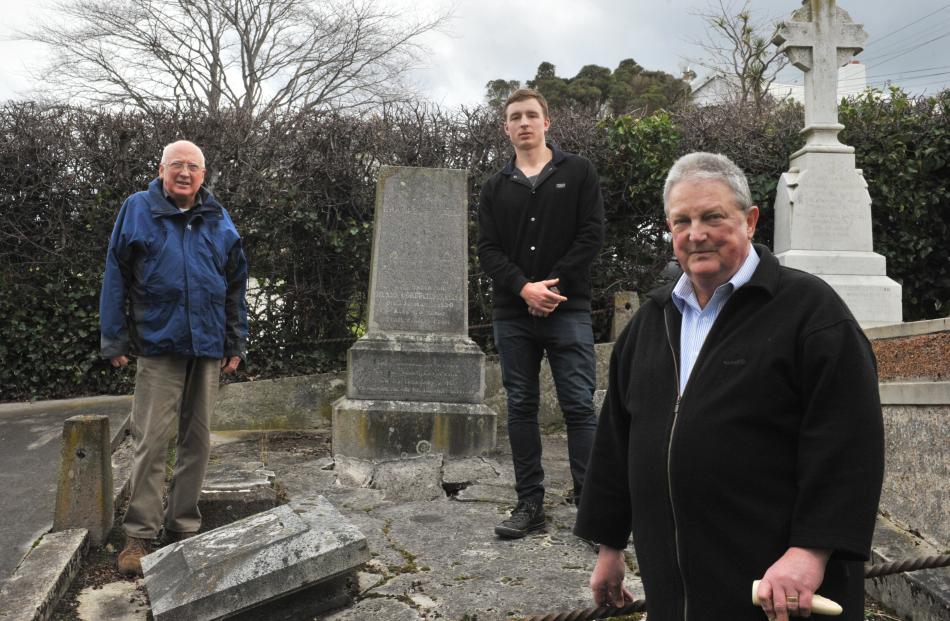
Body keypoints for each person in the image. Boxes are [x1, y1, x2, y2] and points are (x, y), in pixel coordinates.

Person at [574, 152, 884, 621]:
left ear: (751, 220)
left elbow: (849, 444)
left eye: (712, 217)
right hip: (673, 590)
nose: (695, 233)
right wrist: (609, 546)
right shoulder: (650, 323)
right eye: (682, 220)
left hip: (778, 590)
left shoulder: (811, 313)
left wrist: (811, 552)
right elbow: (618, 442)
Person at [100, 140, 248, 576]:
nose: (185, 172)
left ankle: (182, 525)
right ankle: (139, 536)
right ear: (162, 169)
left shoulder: (218, 217)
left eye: (194, 167)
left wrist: (234, 341)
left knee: (197, 440)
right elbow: (116, 273)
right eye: (177, 165)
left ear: (204, 175)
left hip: (206, 345)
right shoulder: (138, 208)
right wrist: (115, 338)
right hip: (158, 343)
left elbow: (236, 282)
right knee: (151, 441)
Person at [477, 88, 605, 539]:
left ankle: (592, 506)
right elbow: (488, 250)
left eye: (532, 115)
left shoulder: (580, 172)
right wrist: (523, 288)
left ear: (547, 122)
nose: (525, 122)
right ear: (506, 127)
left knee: (578, 405)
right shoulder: (494, 187)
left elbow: (591, 235)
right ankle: (529, 504)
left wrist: (552, 287)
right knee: (521, 407)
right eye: (516, 117)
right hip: (513, 313)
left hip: (569, 307)